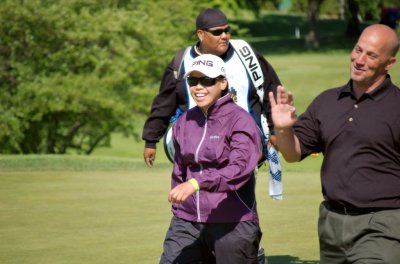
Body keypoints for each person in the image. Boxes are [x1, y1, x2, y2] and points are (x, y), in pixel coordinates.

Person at [268, 24, 400, 263]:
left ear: (389, 63)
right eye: (358, 50)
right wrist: (284, 129)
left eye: (371, 55)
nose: (359, 60)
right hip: (331, 225)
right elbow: (293, 153)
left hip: (382, 227)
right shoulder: (327, 101)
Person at [142, 8, 281, 168]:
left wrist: (276, 130)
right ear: (201, 34)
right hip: (197, 152)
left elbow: (272, 91)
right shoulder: (182, 62)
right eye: (217, 32)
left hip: (243, 148)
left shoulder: (246, 54)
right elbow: (164, 103)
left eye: (227, 31)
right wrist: (151, 140)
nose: (224, 36)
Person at [159, 54, 262, 263]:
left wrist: (197, 183)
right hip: (186, 221)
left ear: (223, 83)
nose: (198, 87)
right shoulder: (184, 121)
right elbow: (180, 169)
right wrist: (180, 208)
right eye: (193, 81)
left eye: (207, 80)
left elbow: (240, 168)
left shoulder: (240, 120)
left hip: (232, 220)